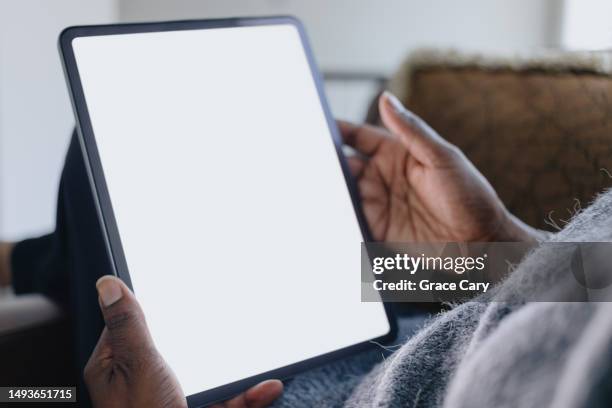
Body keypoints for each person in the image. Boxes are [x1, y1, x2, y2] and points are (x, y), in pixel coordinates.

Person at [3, 91, 604, 407]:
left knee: (97, 154)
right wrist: (492, 252)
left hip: (343, 389)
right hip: (426, 313)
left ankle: (24, 262)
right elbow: (592, 289)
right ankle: (30, 262)